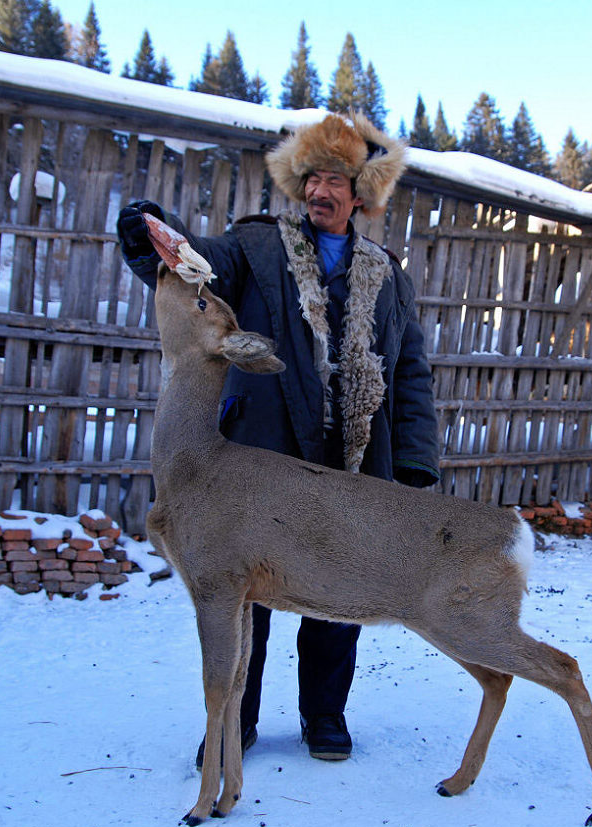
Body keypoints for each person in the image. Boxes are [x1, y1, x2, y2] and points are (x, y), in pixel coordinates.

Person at [116, 110, 440, 765]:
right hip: (260, 453)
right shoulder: (255, 247)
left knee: (341, 590)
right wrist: (145, 239)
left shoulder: (389, 277)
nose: (320, 191)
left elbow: (411, 372)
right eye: (311, 178)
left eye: (336, 181)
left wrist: (412, 459)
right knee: (242, 595)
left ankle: (325, 716)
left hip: (348, 461)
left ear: (361, 194)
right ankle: (235, 719)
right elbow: (193, 267)